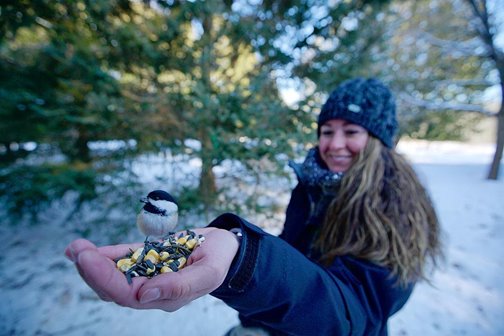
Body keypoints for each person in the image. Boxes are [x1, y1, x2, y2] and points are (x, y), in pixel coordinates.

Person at [65, 77, 443, 336]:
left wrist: (247, 261)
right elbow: (298, 254)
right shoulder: (314, 185)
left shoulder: (394, 207)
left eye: (352, 131)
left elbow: (351, 312)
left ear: (379, 140)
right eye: (327, 131)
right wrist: (236, 248)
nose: (335, 143)